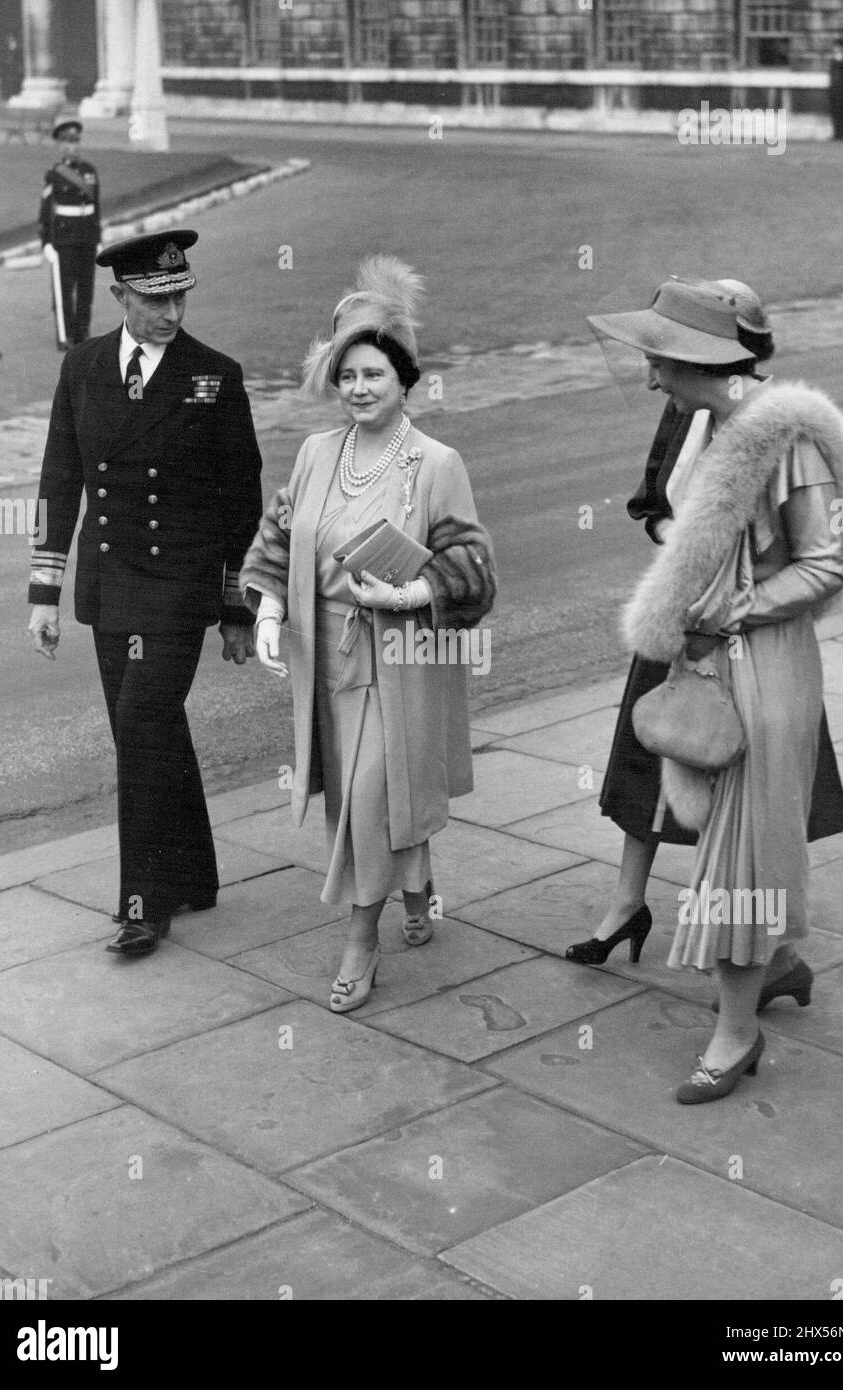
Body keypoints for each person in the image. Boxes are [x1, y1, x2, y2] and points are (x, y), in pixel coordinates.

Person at [586, 276, 843, 1103]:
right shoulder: (713, 421)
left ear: (692, 359)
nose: (649, 378)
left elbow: (828, 563)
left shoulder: (787, 441)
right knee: (723, 837)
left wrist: (738, 609)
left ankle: (736, 1035)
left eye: (657, 362)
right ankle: (774, 962)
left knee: (742, 851)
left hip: (763, 663)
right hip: (715, 658)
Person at [239, 256, 497, 1014]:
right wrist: (266, 609)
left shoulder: (436, 463)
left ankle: (361, 939)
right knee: (364, 795)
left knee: (369, 792)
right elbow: (278, 535)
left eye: (373, 374)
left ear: (404, 379)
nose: (357, 388)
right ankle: (416, 883)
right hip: (324, 657)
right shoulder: (319, 453)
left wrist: (417, 589)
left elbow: (473, 567)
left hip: (403, 660)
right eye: (346, 374)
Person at [27, 229, 263, 957]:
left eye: (181, 295)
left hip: (179, 588)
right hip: (108, 585)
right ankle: (193, 875)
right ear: (121, 295)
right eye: (156, 300)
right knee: (151, 730)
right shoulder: (84, 367)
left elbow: (240, 499)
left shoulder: (213, 376)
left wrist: (232, 608)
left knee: (139, 729)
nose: (172, 312)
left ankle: (143, 900)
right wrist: (44, 590)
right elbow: (60, 478)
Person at [39, 120, 101, 347]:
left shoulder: (90, 172)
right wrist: (46, 242)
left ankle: (82, 333)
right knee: (64, 290)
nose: (73, 147)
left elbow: (96, 208)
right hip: (64, 240)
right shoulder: (54, 175)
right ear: (61, 147)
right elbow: (45, 212)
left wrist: (99, 238)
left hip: (87, 238)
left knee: (86, 289)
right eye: (68, 142)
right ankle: (64, 335)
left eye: (76, 142)